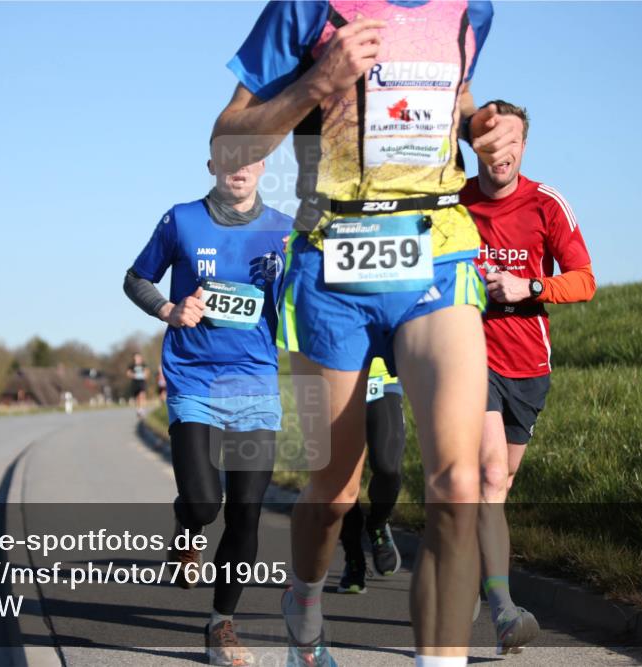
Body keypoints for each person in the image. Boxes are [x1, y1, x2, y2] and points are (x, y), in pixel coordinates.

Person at [215, 2, 523, 665]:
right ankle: (304, 603)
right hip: (330, 270)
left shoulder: (472, 10)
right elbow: (228, 140)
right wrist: (316, 82)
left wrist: (478, 126)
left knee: (457, 481)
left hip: (436, 253)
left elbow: (458, 85)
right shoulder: (305, 10)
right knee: (335, 490)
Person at [124, 153, 292, 666]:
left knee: (246, 513)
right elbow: (136, 279)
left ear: (263, 165)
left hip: (255, 385)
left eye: (251, 157)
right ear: (212, 163)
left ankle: (221, 624)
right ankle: (187, 528)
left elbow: (299, 303)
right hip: (194, 379)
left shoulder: (285, 232)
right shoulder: (182, 219)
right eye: (229, 156)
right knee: (203, 504)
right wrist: (168, 310)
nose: (239, 166)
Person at [460, 100, 595, 655]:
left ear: (523, 146)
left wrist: (529, 286)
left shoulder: (545, 203)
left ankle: (475, 579)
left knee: (501, 485)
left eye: (511, 141)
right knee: (489, 479)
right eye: (489, 142)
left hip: (529, 366)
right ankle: (505, 611)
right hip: (472, 355)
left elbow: (584, 280)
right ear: (476, 148)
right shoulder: (456, 204)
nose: (501, 152)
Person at [337, 356, 407, 594]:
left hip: (382, 377)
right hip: (334, 377)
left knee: (389, 467)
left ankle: (377, 524)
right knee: (342, 480)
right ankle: (354, 558)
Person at [126, 353, 149, 417]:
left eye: (138, 357)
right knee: (137, 397)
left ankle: (142, 409)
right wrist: (133, 375)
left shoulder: (143, 365)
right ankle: (139, 409)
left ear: (140, 358)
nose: (137, 359)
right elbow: (128, 373)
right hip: (135, 382)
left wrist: (144, 375)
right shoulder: (132, 366)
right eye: (136, 358)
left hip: (142, 382)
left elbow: (147, 373)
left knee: (142, 395)